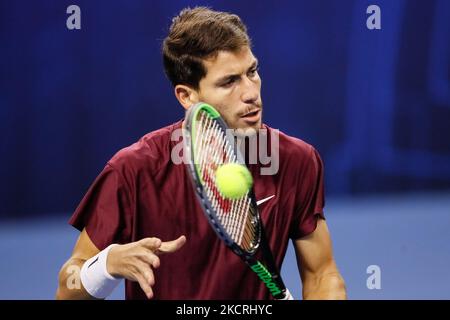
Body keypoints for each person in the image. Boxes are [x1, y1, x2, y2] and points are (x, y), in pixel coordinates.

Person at [56, 6, 346, 300]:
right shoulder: (133, 170)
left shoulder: (297, 161)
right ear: (187, 95)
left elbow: (322, 274)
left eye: (252, 72)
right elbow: (67, 291)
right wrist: (105, 266)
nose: (250, 92)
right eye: (229, 81)